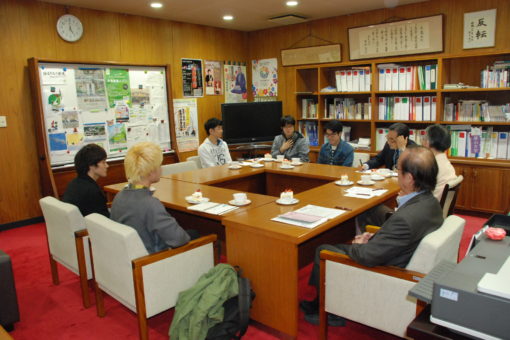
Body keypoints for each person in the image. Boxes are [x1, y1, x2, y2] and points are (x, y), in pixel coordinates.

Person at [301, 146, 444, 326]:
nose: (396, 173)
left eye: (398, 169)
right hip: (394, 252)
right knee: (371, 214)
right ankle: (321, 298)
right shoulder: (431, 203)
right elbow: (397, 233)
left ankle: (328, 309)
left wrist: (360, 243)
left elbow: (368, 256)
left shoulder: (405, 220)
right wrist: (378, 238)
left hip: (385, 269)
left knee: (323, 250)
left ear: (409, 178)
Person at [110, 142, 193, 254]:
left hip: (129, 256)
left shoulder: (119, 197)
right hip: (152, 261)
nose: (161, 168)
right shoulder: (151, 204)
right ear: (151, 171)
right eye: (159, 165)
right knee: (197, 234)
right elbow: (179, 239)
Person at [62, 143, 109, 217]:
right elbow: (104, 220)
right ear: (92, 165)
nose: (107, 165)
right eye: (103, 162)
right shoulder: (92, 191)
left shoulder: (73, 183)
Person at [421, 124, 457, 201]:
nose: (421, 142)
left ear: (427, 143)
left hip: (428, 208)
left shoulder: (430, 166)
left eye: (423, 138)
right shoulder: (446, 163)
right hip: (437, 207)